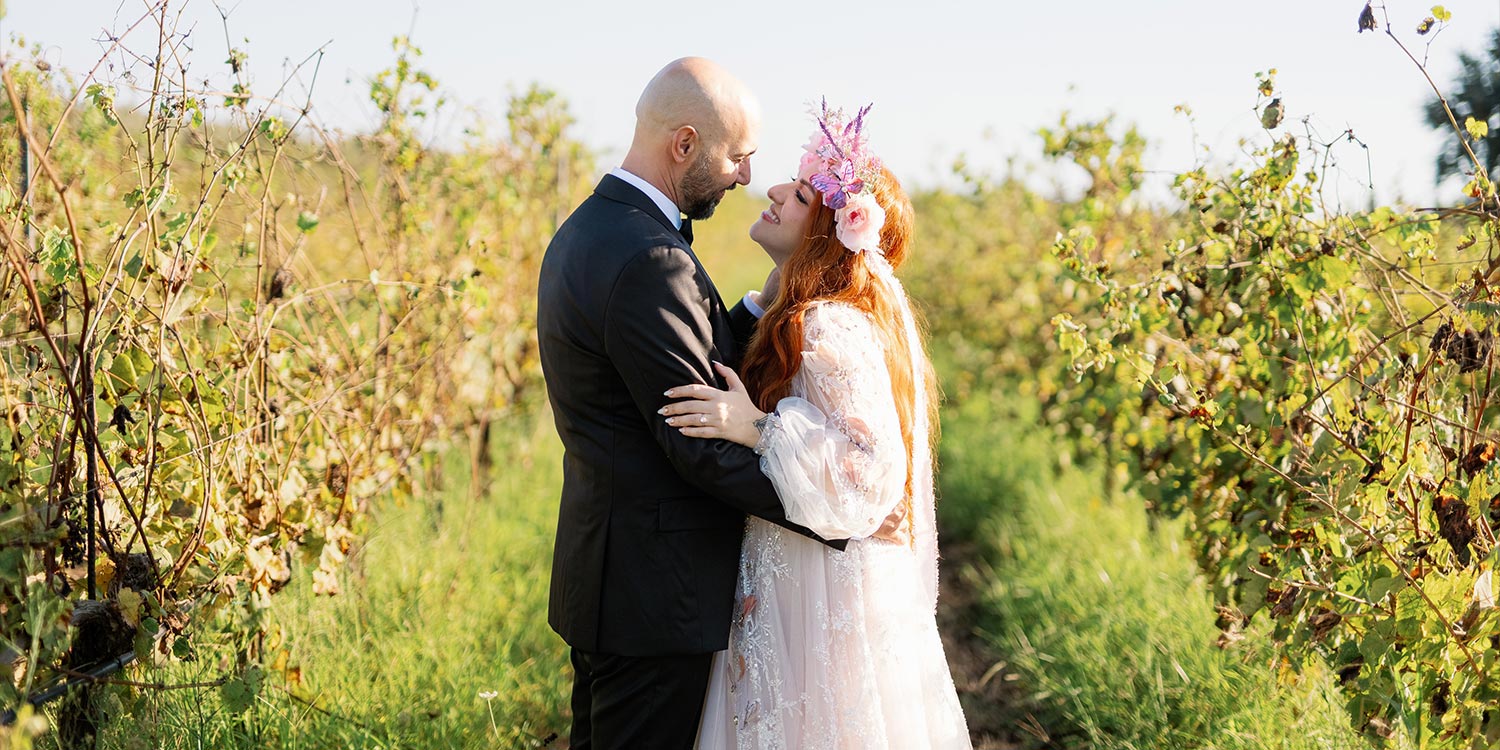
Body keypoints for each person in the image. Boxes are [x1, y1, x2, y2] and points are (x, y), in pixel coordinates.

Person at [536, 60, 903, 750]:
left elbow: (672, 367)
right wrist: (837, 512)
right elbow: (697, 438)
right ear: (684, 145)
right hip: (654, 596)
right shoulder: (650, 256)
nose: (744, 177)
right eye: (737, 156)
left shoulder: (591, 230)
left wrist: (758, 308)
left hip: (615, 576)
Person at [660, 102, 972, 749]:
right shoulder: (818, 312)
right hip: (806, 574)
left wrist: (758, 428)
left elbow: (870, 472)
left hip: (821, 593)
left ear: (831, 228)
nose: (772, 191)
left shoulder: (831, 324)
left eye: (799, 194)